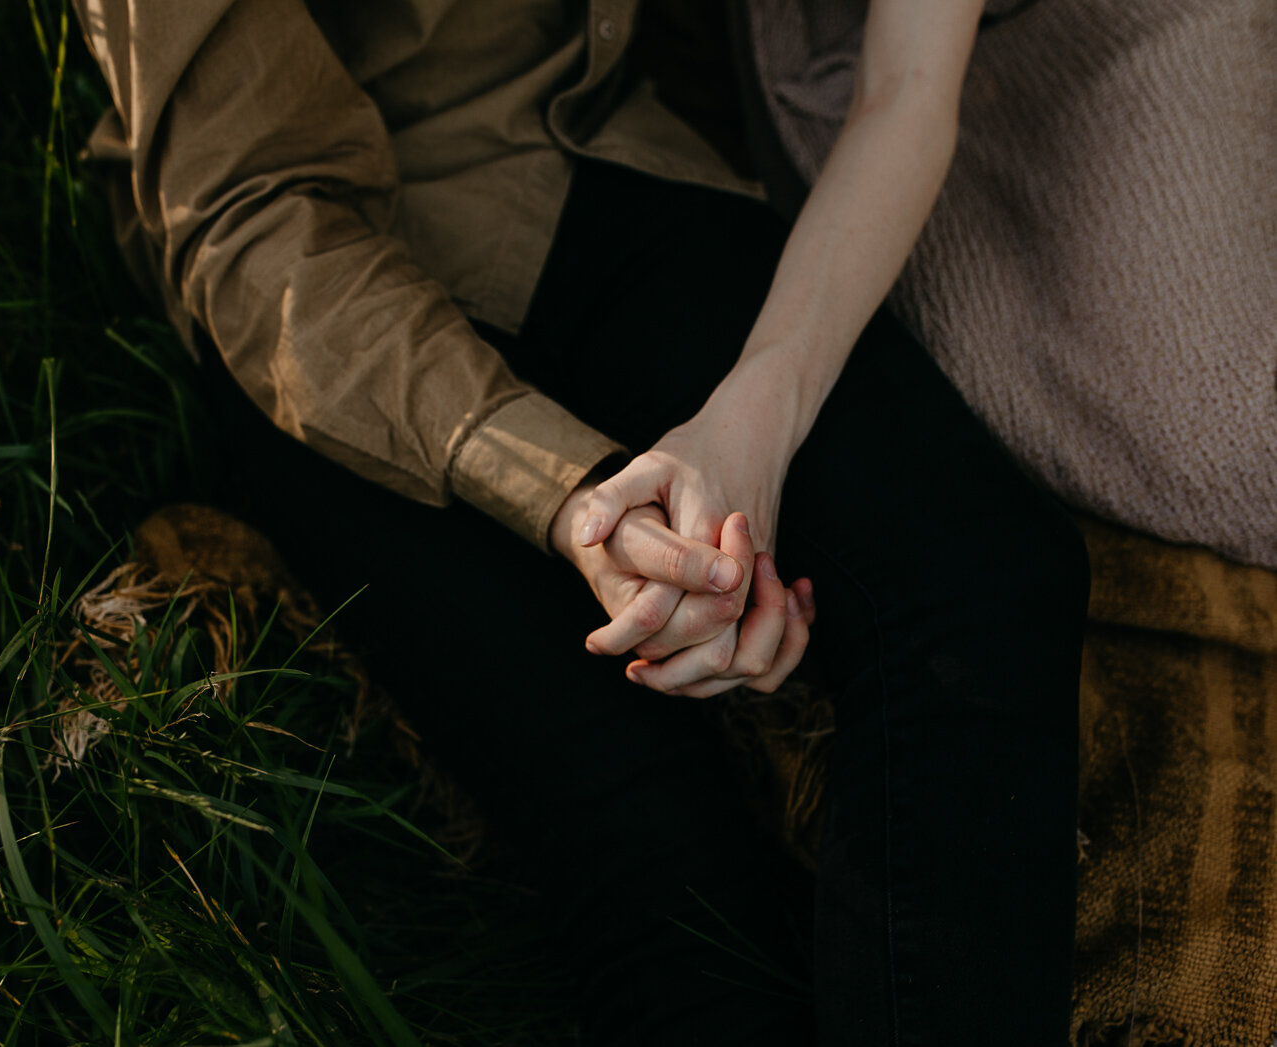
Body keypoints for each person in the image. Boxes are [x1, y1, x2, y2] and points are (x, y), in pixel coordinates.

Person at [72, 0, 1089, 1042]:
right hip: (319, 312)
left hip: (594, 153)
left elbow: (908, 86)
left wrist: (751, 418)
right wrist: (579, 497)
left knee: (983, 584)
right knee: (647, 838)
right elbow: (251, 219)